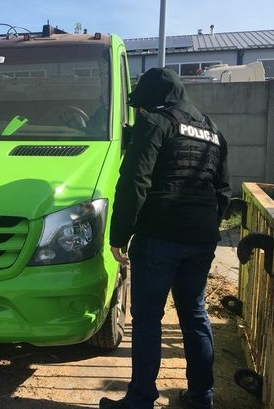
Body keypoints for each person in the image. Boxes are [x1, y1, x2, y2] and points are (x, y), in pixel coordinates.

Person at [99, 68, 232, 409]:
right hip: (201, 238)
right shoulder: (212, 130)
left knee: (147, 318)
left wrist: (119, 234)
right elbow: (223, 191)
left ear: (154, 100)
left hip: (159, 235)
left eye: (142, 105)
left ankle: (140, 399)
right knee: (195, 314)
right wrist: (205, 227)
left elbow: (135, 181)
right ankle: (202, 398)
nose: (141, 111)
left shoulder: (156, 123)